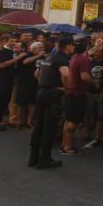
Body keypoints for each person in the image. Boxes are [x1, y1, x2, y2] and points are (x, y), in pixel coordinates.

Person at [29, 36, 72, 169]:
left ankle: (33, 158)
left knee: (39, 126)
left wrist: (45, 84)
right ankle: (45, 159)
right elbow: (65, 74)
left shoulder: (49, 57)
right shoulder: (62, 59)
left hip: (42, 91)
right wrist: (66, 88)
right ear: (68, 46)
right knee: (49, 126)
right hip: (53, 95)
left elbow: (37, 74)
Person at [62, 38, 94, 155]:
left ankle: (64, 143)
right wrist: (94, 82)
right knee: (73, 121)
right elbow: (84, 76)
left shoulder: (74, 57)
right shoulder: (83, 59)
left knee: (69, 119)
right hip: (77, 93)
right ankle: (68, 146)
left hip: (70, 91)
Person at [0, 35, 19, 132]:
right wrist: (17, 58)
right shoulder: (3, 52)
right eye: (11, 41)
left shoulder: (11, 52)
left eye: (14, 41)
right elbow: (2, 65)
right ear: (5, 41)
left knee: (4, 102)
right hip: (1, 81)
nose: (13, 43)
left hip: (8, 81)